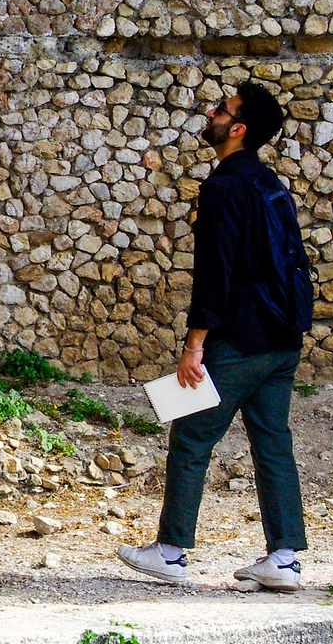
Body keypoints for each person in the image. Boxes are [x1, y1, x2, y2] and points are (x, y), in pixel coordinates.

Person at [119, 80, 315, 592]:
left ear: (239, 128)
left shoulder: (224, 187)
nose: (211, 113)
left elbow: (216, 273)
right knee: (272, 441)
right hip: (283, 337)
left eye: (222, 110)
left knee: (190, 433)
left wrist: (194, 345)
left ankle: (169, 552)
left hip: (241, 338)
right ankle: (286, 558)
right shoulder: (271, 184)